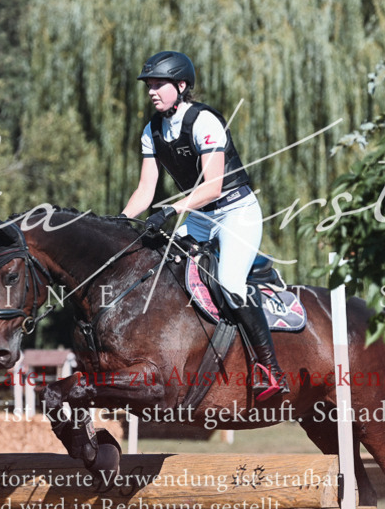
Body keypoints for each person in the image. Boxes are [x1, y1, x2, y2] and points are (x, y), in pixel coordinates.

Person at [119, 50, 288, 401]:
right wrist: (118, 225)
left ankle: (269, 369)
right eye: (149, 84)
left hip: (234, 210)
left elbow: (213, 185)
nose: (151, 90)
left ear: (181, 86)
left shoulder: (204, 121)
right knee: (160, 267)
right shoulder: (152, 129)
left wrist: (171, 210)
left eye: (159, 84)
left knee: (228, 281)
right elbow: (145, 190)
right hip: (200, 216)